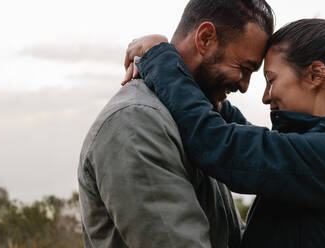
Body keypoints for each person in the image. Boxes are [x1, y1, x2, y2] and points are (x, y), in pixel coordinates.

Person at [124, 19, 325, 247]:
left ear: (316, 74)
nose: (265, 96)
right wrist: (212, 92)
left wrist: (159, 57)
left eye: (271, 79)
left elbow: (221, 145)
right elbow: (253, 142)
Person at [77, 0, 274, 247]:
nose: (245, 86)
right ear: (205, 38)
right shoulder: (136, 124)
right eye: (244, 68)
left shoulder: (197, 119)